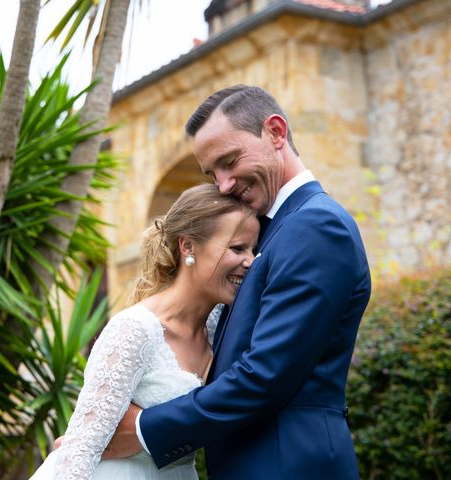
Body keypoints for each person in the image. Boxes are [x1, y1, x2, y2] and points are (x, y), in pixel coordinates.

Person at [103, 85, 372, 479]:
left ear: (276, 133)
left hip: (289, 465)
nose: (224, 184)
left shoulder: (316, 226)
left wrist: (144, 430)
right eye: (213, 172)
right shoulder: (276, 229)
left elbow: (265, 375)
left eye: (230, 161)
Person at [29, 184, 259, 480]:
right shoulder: (135, 329)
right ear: (187, 246)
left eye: (253, 249)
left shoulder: (220, 326)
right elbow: (79, 450)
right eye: (237, 248)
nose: (250, 262)